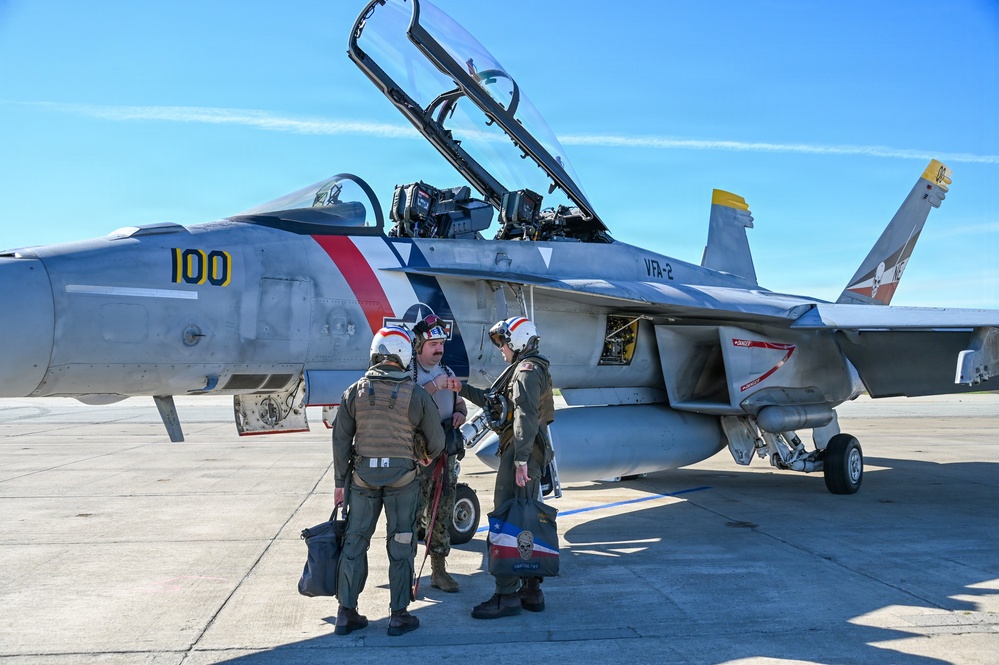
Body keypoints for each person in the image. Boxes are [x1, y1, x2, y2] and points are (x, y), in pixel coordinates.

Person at [331, 325, 445, 637]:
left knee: (355, 541)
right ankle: (398, 615)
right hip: (403, 480)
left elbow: (341, 440)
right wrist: (422, 457)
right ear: (404, 356)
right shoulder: (417, 394)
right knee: (401, 543)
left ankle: (346, 612)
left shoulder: (354, 391)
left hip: (363, 478)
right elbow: (437, 442)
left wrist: (340, 483)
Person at [457, 316, 555, 619]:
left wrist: (521, 459)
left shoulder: (525, 372)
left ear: (517, 341)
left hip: (520, 452)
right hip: (525, 450)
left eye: (503, 343)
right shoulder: (528, 368)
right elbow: (495, 403)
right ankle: (530, 589)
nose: (501, 349)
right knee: (526, 518)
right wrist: (460, 387)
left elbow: (524, 415)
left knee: (508, 519)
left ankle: (505, 595)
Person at [412, 314, 468, 593]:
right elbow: (407, 403)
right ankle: (405, 571)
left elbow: (461, 405)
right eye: (433, 344)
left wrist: (459, 413)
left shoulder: (446, 369)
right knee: (409, 515)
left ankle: (438, 571)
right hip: (417, 456)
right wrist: (436, 386)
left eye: (441, 344)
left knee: (442, 512)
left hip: (445, 453)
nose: (439, 349)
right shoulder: (410, 373)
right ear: (419, 344)